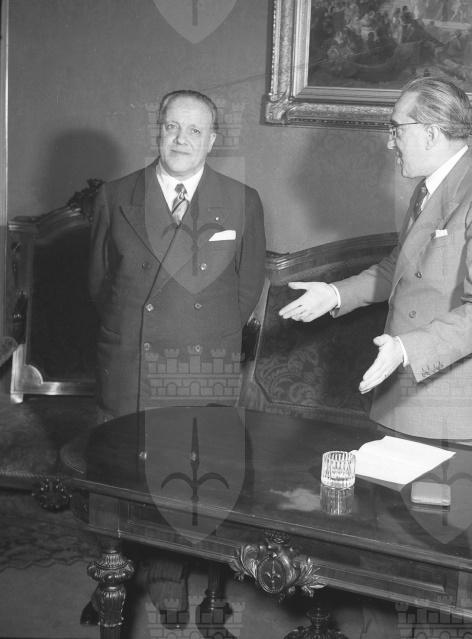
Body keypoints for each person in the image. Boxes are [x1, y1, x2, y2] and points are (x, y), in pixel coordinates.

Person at [89, 89, 266, 628]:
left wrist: (206, 339)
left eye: (194, 130)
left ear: (213, 139)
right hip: (132, 361)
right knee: (124, 482)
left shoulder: (242, 199)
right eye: (172, 127)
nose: (181, 139)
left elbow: (247, 287)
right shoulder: (116, 195)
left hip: (200, 360)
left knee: (192, 481)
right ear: (158, 130)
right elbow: (99, 283)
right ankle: (131, 580)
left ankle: (185, 577)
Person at [279, 77, 472, 446]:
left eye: (396, 129)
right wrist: (335, 294)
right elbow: (401, 267)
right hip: (402, 388)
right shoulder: (429, 186)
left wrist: (406, 349)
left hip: (454, 407)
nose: (390, 142)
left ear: (430, 133)